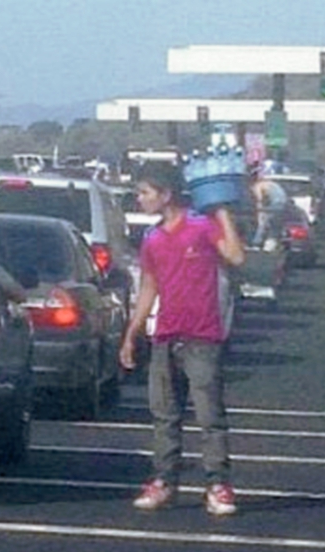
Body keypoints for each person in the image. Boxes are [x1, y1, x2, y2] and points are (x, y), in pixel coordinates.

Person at [119, 161, 245, 516]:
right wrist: (132, 334)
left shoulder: (201, 227)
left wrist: (221, 210)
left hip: (203, 337)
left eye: (145, 193)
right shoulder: (153, 238)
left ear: (166, 194)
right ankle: (164, 481)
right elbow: (149, 287)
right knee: (165, 415)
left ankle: (218, 485)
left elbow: (235, 255)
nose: (140, 199)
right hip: (166, 336)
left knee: (209, 416)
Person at [250, 169, 289, 247]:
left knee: (263, 224)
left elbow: (260, 199)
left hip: (274, 205)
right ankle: (273, 242)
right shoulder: (272, 183)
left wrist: (260, 214)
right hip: (283, 205)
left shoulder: (258, 185)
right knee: (274, 225)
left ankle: (256, 242)